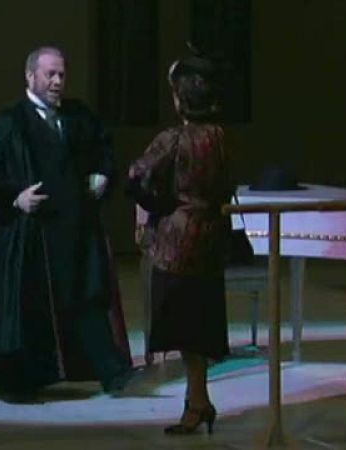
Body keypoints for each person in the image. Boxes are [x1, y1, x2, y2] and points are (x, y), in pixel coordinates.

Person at [0, 46, 136, 398]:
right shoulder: (9, 123)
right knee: (32, 309)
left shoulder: (78, 116)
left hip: (76, 229)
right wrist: (15, 198)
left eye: (61, 74)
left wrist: (103, 174)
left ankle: (112, 372)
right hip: (34, 235)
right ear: (30, 76)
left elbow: (104, 151)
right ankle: (25, 382)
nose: (57, 81)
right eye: (50, 74)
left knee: (88, 297)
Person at [126, 52, 234, 433]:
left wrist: (158, 205)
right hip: (211, 240)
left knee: (187, 329)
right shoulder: (220, 138)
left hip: (178, 244)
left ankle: (197, 404)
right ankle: (198, 401)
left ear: (180, 99)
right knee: (199, 330)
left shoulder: (173, 139)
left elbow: (135, 177)